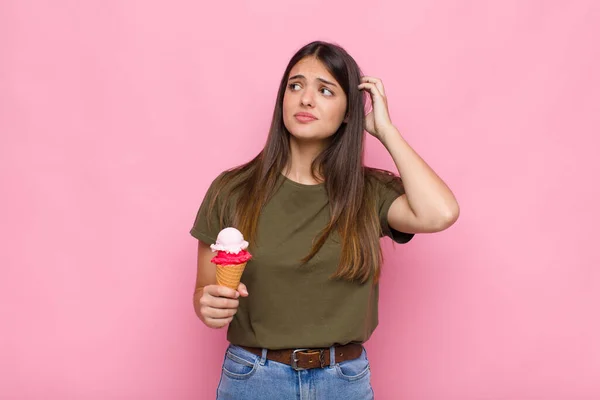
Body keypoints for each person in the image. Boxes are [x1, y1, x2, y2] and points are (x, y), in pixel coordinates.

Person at [190, 40, 459, 400]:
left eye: (325, 90)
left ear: (349, 112)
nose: (305, 99)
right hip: (253, 380)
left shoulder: (369, 192)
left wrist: (386, 131)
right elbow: (205, 292)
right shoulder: (231, 189)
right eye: (295, 85)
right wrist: (208, 305)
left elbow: (440, 213)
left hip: (343, 381)